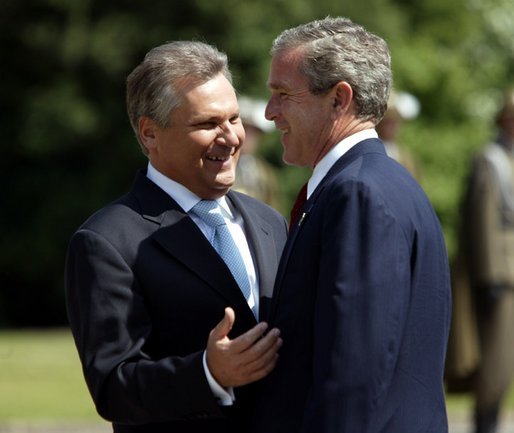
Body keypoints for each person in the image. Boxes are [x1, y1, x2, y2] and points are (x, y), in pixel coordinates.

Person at [64, 41, 288, 433]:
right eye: (207, 124)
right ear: (150, 134)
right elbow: (113, 387)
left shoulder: (269, 221)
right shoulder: (107, 242)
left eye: (234, 119)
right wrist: (207, 373)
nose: (232, 137)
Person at [252, 16, 452, 433]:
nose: (270, 113)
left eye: (283, 94)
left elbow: (353, 373)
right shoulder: (378, 183)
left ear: (339, 99)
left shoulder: (358, 194)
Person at [447, 89, 514, 433]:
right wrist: (489, 277)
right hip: (500, 278)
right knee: (495, 364)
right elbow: (484, 220)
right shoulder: (491, 160)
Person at [233, 96, 280, 208]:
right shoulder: (217, 165)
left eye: (254, 133)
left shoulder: (265, 174)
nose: (248, 138)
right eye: (245, 129)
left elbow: (271, 210)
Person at [376, 90, 421, 180]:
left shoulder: (405, 157)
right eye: (386, 122)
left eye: (394, 122)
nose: (390, 127)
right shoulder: (369, 149)